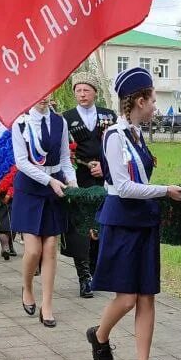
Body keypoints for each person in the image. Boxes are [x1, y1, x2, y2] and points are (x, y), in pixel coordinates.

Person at [85, 67, 181, 360]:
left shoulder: (138, 135)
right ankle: (100, 335)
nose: (155, 106)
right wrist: (164, 190)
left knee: (147, 297)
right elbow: (124, 186)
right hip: (123, 221)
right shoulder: (114, 136)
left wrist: (158, 193)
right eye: (153, 100)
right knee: (127, 298)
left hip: (144, 221)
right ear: (139, 101)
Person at [11, 94, 77, 328]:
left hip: (55, 188)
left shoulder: (60, 121)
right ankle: (27, 287)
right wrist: (48, 181)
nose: (43, 98)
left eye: (47, 92)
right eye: (38, 93)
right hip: (30, 188)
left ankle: (47, 305)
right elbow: (21, 162)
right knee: (32, 250)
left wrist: (73, 183)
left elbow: (65, 159)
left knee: (50, 248)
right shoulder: (20, 123)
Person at [61, 72, 116, 298]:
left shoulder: (108, 116)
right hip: (79, 178)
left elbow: (118, 148)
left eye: (86, 90)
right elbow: (63, 152)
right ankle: (84, 277)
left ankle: (99, 271)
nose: (82, 94)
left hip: (106, 177)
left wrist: (105, 167)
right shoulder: (66, 118)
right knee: (81, 227)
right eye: (78, 90)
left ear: (95, 92)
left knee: (103, 222)